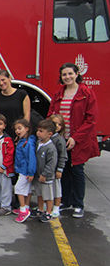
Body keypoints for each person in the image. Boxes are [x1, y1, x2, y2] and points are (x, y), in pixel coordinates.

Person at [47, 63, 99, 219]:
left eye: (70, 73)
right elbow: (51, 114)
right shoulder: (58, 94)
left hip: (78, 141)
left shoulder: (86, 93)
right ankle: (66, 202)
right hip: (62, 140)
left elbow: (91, 120)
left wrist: (75, 139)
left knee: (77, 171)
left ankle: (78, 204)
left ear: (77, 74)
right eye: (64, 75)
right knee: (65, 171)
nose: (67, 77)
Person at [0, 69, 31, 138]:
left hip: (18, 133)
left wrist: (22, 133)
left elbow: (27, 115)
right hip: (2, 135)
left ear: (9, 78)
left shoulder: (22, 94)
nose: (1, 83)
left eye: (3, 80)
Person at [32, 119, 58, 223]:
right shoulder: (39, 143)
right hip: (38, 175)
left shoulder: (51, 148)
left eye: (41, 131)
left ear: (49, 134)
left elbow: (51, 164)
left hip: (45, 177)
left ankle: (48, 212)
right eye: (38, 130)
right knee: (39, 194)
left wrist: (45, 174)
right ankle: (40, 209)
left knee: (48, 195)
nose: (38, 133)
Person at [12, 119, 36, 223]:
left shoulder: (27, 143)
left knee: (18, 189)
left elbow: (31, 159)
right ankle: (26, 206)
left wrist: (31, 172)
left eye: (20, 128)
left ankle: (23, 210)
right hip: (24, 170)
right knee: (28, 189)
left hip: (24, 170)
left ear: (26, 129)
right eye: (16, 129)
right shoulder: (24, 141)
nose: (17, 131)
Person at [49, 114, 68, 218]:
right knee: (47, 190)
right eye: (54, 123)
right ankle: (47, 206)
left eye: (59, 124)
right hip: (46, 170)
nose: (56, 126)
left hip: (55, 169)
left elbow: (63, 156)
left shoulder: (60, 140)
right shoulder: (46, 137)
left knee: (56, 189)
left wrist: (60, 169)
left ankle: (56, 207)